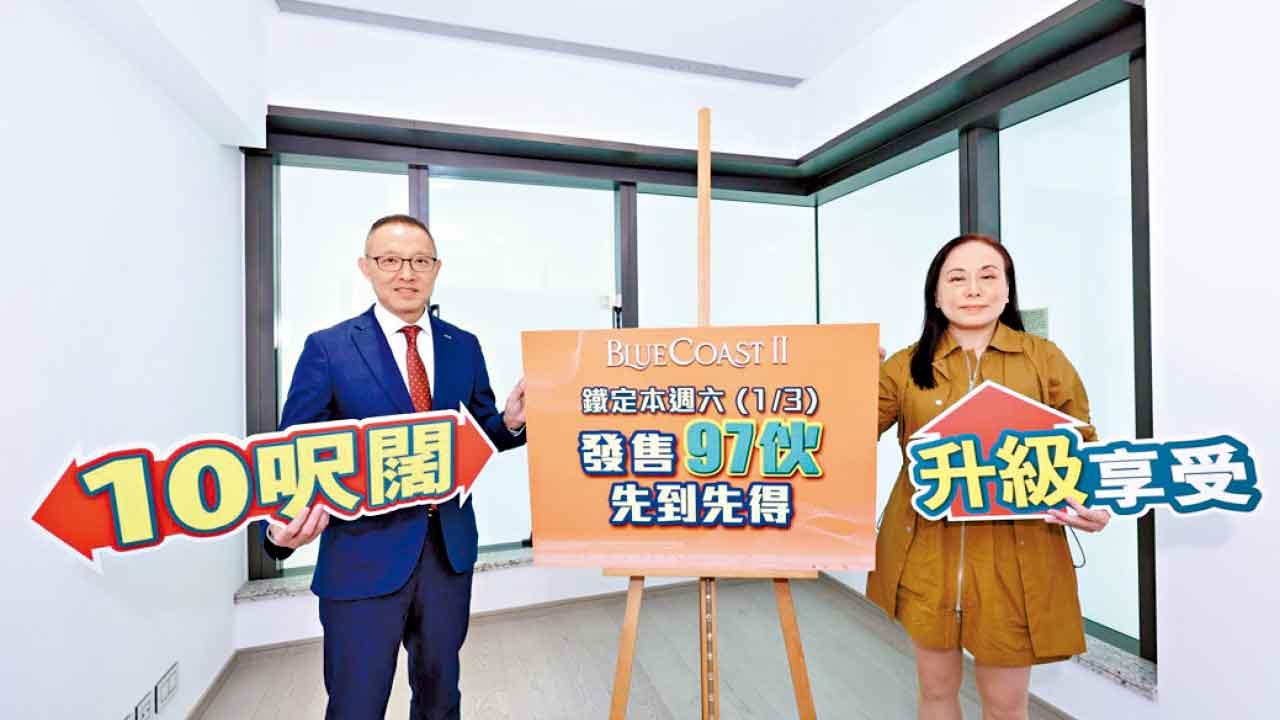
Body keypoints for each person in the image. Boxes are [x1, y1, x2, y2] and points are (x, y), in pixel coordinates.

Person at [262, 213, 528, 720]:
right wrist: (277, 533)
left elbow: (477, 436)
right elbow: (291, 454)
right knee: (356, 706)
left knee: (440, 700)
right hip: (362, 560)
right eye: (390, 260)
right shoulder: (329, 348)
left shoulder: (462, 345)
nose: (406, 273)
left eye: (420, 261)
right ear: (366, 267)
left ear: (436, 268)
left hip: (447, 557)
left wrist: (510, 423)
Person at [867, 234, 1112, 720]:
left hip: (1017, 558)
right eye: (957, 278)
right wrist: (850, 377)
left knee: (1005, 705)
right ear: (936, 295)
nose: (973, 289)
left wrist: (1094, 503)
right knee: (936, 692)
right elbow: (849, 434)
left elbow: (1082, 447)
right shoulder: (904, 366)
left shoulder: (1045, 358)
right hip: (927, 553)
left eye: (988, 276)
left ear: (1006, 290)